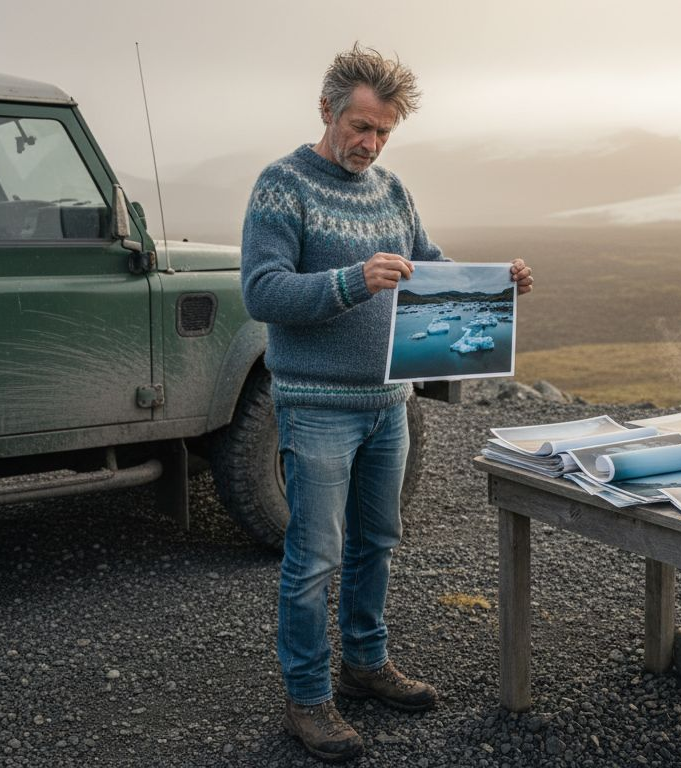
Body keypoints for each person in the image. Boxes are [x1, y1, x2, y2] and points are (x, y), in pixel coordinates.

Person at [240, 44, 533, 762]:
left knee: (378, 543)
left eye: (383, 133)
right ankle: (307, 701)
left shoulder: (392, 190)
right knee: (314, 557)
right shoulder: (281, 186)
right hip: (316, 407)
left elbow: (429, 264)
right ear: (326, 110)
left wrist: (496, 281)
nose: (369, 145)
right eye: (360, 127)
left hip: (388, 404)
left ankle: (365, 667)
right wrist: (353, 280)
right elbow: (262, 291)